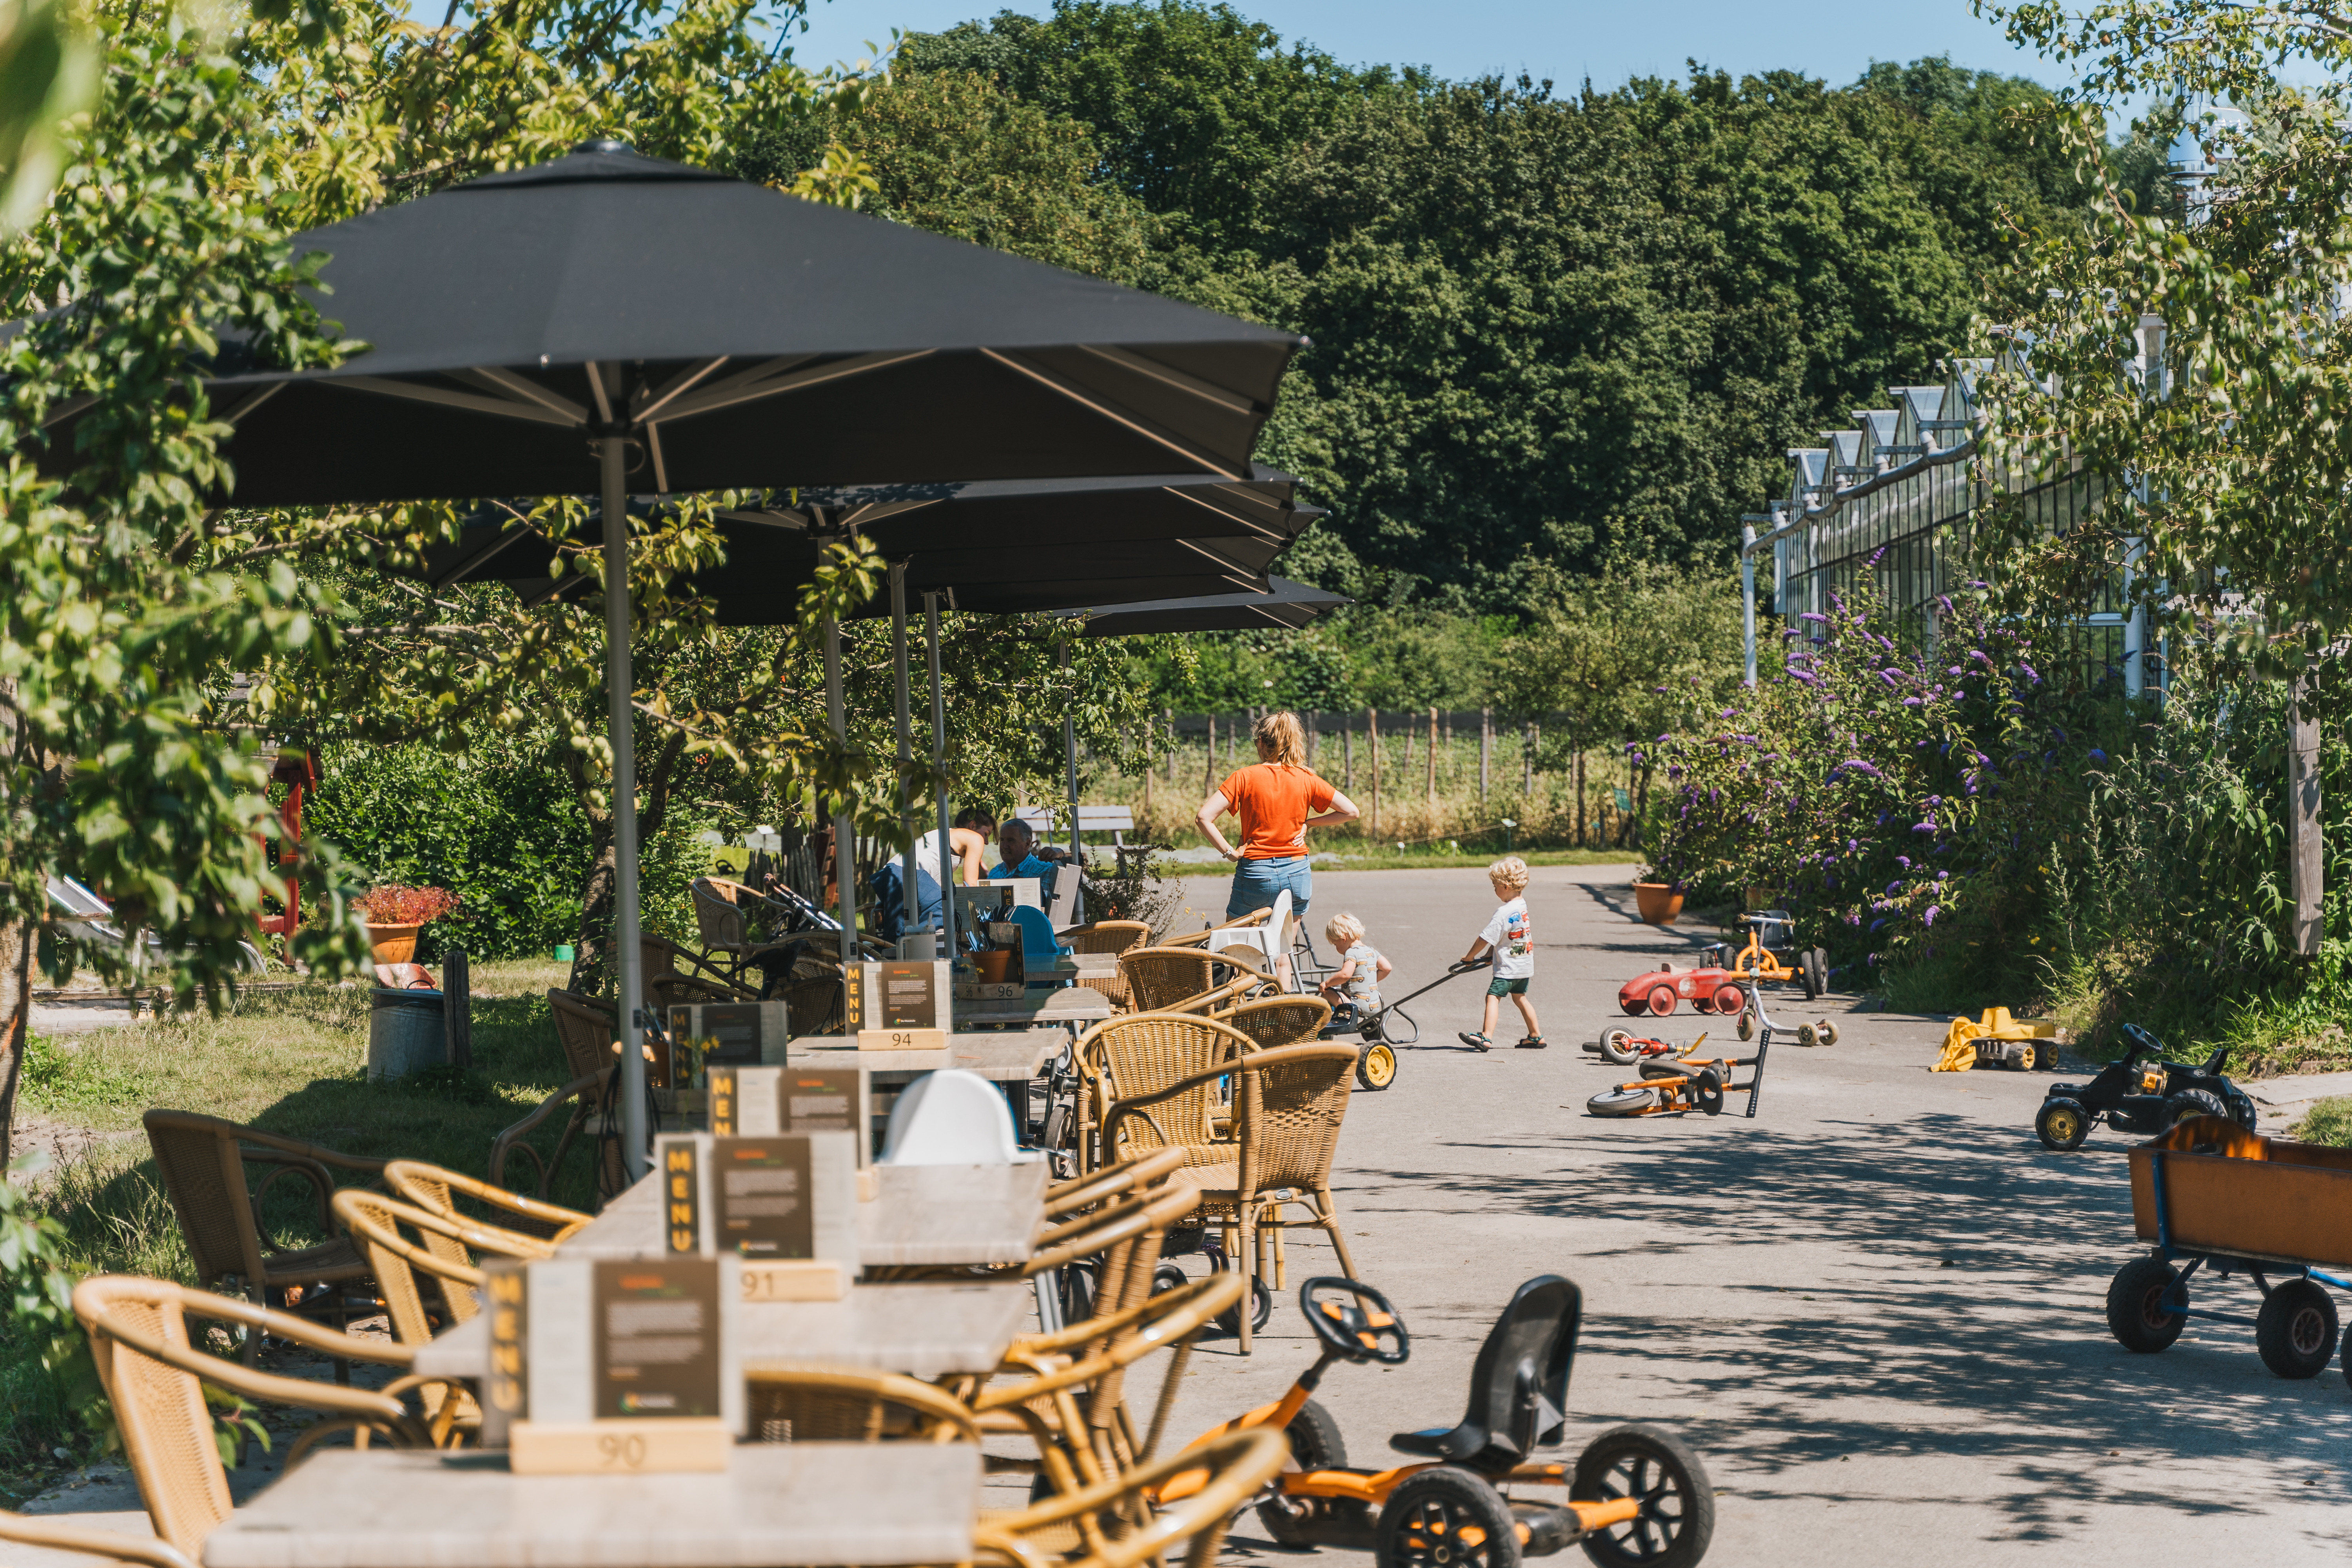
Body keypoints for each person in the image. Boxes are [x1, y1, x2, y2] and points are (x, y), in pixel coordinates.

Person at [1195, 712, 1359, 984]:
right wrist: (1309, 823)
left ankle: (1236, 1011)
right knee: (1284, 952)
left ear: (1261, 742)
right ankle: (1283, 1013)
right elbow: (1351, 811)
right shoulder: (1306, 778)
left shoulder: (1244, 777)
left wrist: (1230, 852)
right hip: (1297, 873)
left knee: (1236, 951)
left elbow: (1204, 817)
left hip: (1256, 874)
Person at [1458, 856, 1542, 1051]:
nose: (1494, 889)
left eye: (1495, 885)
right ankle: (1536, 1036)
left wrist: (1470, 956)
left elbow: (1486, 937)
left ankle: (1486, 1037)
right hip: (1524, 965)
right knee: (1520, 998)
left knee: (1493, 997)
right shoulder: (1522, 907)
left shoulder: (1503, 912)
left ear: (1505, 886)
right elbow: (1506, 937)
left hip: (1508, 967)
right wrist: (1491, 954)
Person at [1318, 912, 1391, 1018]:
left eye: (1335, 944)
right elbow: (1387, 968)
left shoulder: (1352, 952)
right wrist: (1369, 982)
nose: (1336, 948)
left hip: (1356, 1007)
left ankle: (1325, 1021)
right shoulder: (1371, 951)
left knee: (1327, 994)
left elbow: (1345, 975)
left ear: (1343, 938)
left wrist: (1327, 984)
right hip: (1375, 1006)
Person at [913, 807, 997, 888]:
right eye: (986, 834)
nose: (986, 842)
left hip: (904, 875)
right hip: (911, 880)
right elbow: (970, 886)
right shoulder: (976, 838)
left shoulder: (943, 834)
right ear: (973, 825)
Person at [988, 817, 1066, 883]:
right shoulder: (995, 873)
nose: (1004, 846)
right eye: (1002, 840)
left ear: (1027, 844)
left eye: (1011, 841)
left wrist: (1062, 854)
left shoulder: (1046, 871)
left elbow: (1073, 879)